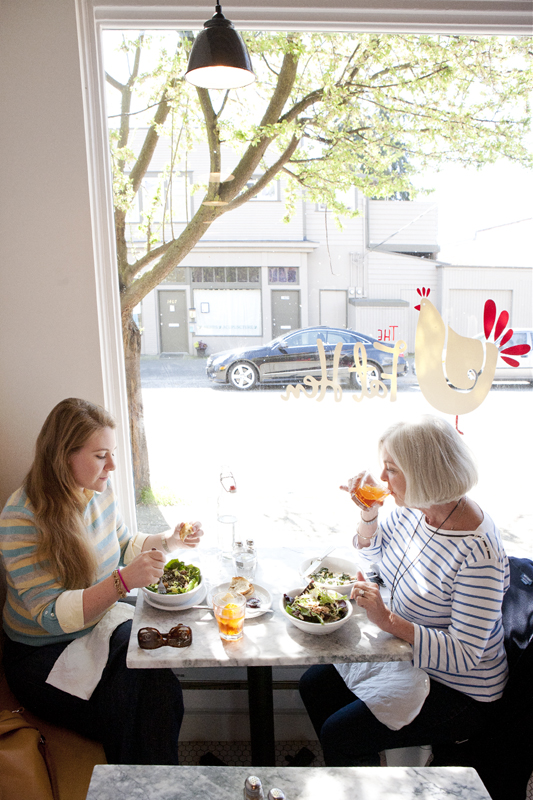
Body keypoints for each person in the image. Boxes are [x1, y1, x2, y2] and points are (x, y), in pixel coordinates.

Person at [0, 397, 204, 764]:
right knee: (128, 705)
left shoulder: (98, 491)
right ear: (63, 457)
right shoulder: (21, 518)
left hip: (96, 628)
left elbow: (124, 544)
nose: (112, 466)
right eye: (100, 456)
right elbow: (50, 615)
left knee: (158, 678)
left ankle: (162, 786)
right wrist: (123, 583)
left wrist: (170, 541)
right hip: (41, 654)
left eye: (111, 453)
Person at [299, 415, 509, 766]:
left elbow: (465, 654)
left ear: (423, 474)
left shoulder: (478, 551)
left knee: (341, 734)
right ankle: (355, 773)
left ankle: (362, 776)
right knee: (313, 685)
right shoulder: (416, 510)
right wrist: (369, 515)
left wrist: (387, 619)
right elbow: (377, 558)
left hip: (460, 689)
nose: (382, 478)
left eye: (391, 470)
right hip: (407, 655)